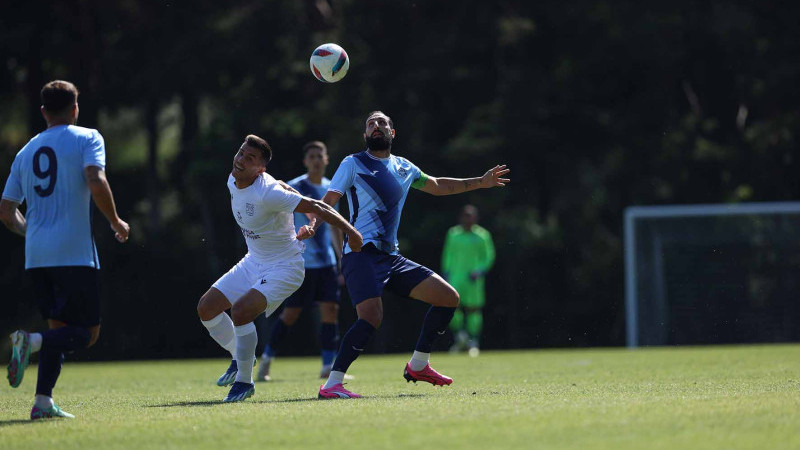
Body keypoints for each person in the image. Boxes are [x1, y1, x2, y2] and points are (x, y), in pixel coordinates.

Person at [317, 111, 510, 399]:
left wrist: (479, 182)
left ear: (392, 133)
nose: (376, 126)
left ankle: (418, 365)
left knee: (448, 298)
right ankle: (332, 384)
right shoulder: (352, 163)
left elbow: (438, 185)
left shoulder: (404, 167)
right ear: (365, 135)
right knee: (371, 317)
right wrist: (311, 224)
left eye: (382, 123)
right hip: (361, 254)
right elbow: (329, 201)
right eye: (370, 124)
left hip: (391, 258)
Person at [195, 135, 362, 403]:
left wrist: (351, 233)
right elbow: (281, 183)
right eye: (241, 153)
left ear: (260, 169)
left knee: (240, 312)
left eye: (250, 159)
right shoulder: (234, 178)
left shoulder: (267, 193)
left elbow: (318, 204)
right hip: (254, 260)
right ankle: (240, 357)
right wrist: (295, 196)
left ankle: (244, 382)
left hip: (285, 267)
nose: (241, 160)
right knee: (206, 308)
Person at [1, 80, 130, 420]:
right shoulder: (87, 137)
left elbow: (6, 210)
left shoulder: (25, 151)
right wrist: (116, 221)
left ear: (43, 112)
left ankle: (43, 403)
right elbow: (94, 177)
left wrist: (30, 232)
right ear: (75, 108)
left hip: (37, 256)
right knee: (86, 334)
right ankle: (30, 341)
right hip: (74, 253)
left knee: (58, 328)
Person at [256, 141, 348, 381]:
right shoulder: (295, 186)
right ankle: (266, 360)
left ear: (327, 160)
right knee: (291, 313)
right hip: (301, 262)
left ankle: (328, 366)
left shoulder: (331, 189)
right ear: (305, 161)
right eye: (312, 156)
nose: (317, 160)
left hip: (326, 263)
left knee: (331, 311)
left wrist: (341, 258)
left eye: (320, 155)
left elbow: (336, 226)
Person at [442, 205, 495, 356]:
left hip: (473, 279)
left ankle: (473, 342)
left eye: (470, 215)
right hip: (455, 278)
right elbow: (447, 255)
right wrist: (446, 274)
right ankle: (460, 339)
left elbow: (488, 256)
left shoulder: (482, 235)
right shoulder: (453, 234)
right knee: (452, 308)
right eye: (466, 215)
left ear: (475, 218)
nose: (468, 218)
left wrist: (479, 271)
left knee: (473, 310)